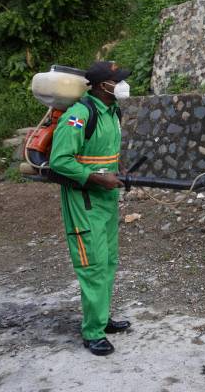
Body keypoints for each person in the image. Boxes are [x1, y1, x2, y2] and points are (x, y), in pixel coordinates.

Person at [50, 61, 132, 356]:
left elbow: (108, 153)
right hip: (83, 200)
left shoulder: (112, 112)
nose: (123, 85)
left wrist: (118, 171)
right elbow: (60, 160)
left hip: (106, 199)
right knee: (93, 265)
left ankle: (102, 318)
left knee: (108, 260)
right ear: (102, 86)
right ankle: (92, 332)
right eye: (117, 80)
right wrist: (98, 177)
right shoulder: (79, 115)